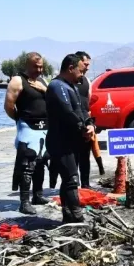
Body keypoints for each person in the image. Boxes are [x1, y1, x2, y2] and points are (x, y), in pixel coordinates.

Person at [46, 54, 95, 223]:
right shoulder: (57, 86)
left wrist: (90, 125)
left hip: (71, 141)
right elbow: (67, 112)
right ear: (71, 68)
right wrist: (82, 128)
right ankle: (76, 214)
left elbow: (82, 110)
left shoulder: (71, 86)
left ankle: (68, 214)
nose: (82, 74)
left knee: (68, 179)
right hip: (60, 142)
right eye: (80, 70)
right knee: (72, 179)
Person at [4, 52, 49, 215]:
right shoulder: (17, 80)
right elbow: (9, 106)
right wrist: (20, 120)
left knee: (41, 162)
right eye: (36, 67)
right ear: (27, 65)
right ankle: (24, 202)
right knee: (27, 165)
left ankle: (38, 195)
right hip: (28, 127)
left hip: (44, 128)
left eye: (41, 66)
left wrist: (44, 89)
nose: (39, 69)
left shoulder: (42, 81)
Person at [74, 51, 104, 187]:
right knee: (72, 157)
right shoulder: (65, 81)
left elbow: (88, 102)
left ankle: (85, 185)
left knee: (85, 156)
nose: (87, 67)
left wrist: (90, 123)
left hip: (85, 122)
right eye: (85, 64)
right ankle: (72, 186)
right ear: (78, 63)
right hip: (72, 123)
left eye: (88, 64)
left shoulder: (86, 80)